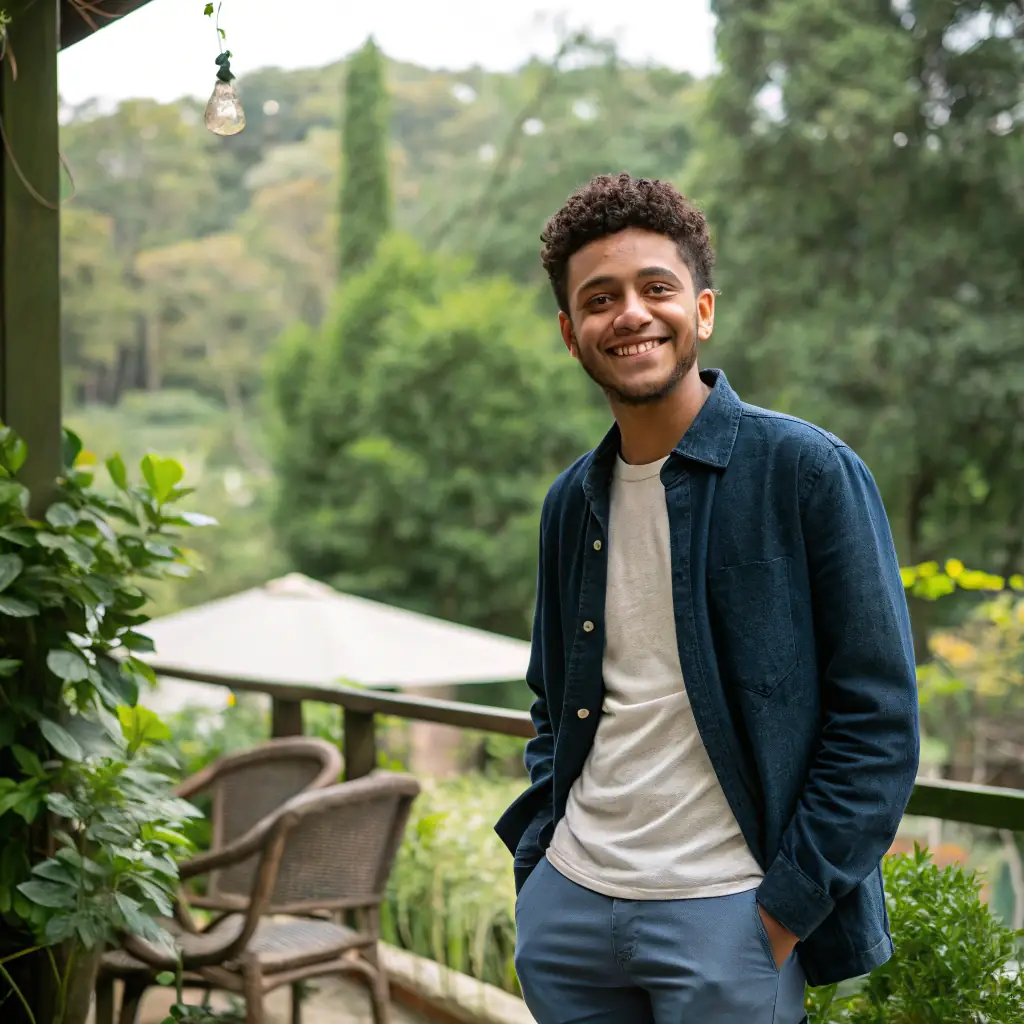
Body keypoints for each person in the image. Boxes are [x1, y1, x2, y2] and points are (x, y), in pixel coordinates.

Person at [494, 173, 920, 1023]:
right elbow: (553, 699)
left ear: (705, 310)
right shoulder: (569, 503)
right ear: (570, 334)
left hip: (731, 913)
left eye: (658, 288)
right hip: (573, 906)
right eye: (600, 298)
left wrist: (783, 910)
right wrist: (540, 868)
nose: (632, 314)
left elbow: (877, 722)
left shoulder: (808, 473)